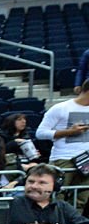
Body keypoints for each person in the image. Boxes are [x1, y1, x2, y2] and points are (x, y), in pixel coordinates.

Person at [36, 80, 89, 210]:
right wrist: (70, 132)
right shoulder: (61, 108)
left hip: (86, 160)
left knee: (81, 198)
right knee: (56, 196)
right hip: (64, 158)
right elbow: (40, 133)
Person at [6, 165, 89, 224]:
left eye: (42, 183)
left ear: (55, 186)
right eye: (31, 182)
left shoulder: (62, 207)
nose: (34, 186)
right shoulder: (10, 204)